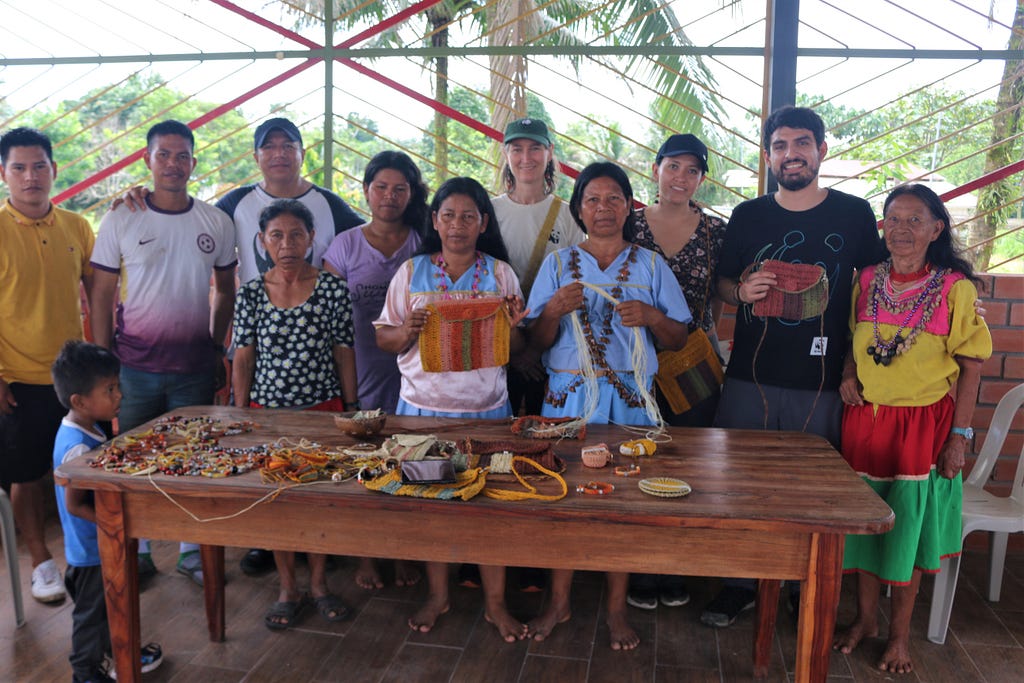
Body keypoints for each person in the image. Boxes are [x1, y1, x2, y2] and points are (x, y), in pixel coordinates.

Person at [701, 106, 883, 629]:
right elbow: (722, 285)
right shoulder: (749, 216)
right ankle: (738, 585)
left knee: (810, 489)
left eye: (802, 143)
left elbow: (872, 291)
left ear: (822, 151)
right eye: (780, 146)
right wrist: (742, 290)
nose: (791, 154)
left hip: (822, 381)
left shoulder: (853, 213)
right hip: (749, 377)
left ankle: (801, 587)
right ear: (768, 156)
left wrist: (851, 365)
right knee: (737, 483)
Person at [525, 161, 691, 650]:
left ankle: (617, 608)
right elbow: (534, 343)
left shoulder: (650, 265)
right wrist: (552, 311)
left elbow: (678, 337)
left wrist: (653, 317)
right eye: (593, 200)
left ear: (629, 206)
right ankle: (559, 600)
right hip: (569, 397)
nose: (603, 209)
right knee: (562, 499)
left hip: (630, 401)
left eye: (613, 199)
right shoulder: (557, 265)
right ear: (579, 208)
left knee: (625, 504)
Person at [832, 184, 991, 674]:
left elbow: (973, 368)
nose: (901, 230)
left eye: (914, 220)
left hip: (922, 428)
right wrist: (847, 375)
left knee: (907, 533)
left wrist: (959, 440)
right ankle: (865, 621)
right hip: (865, 421)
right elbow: (852, 343)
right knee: (862, 528)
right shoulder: (866, 279)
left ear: (936, 228)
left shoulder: (953, 289)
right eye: (893, 220)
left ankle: (899, 636)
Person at [374, 176, 529, 642]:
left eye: (468, 216)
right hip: (422, 411)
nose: (457, 225)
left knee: (491, 509)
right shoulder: (412, 272)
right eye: (448, 215)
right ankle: (439, 595)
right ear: (435, 220)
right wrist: (408, 330)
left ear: (483, 222)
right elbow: (385, 337)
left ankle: (495, 604)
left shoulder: (500, 274)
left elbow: (517, 350)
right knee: (431, 507)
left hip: (487, 409)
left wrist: (516, 325)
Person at [89, 120, 237, 586]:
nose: (173, 164)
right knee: (132, 460)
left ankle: (192, 551)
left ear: (194, 162)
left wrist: (216, 348)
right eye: (163, 155)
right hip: (132, 367)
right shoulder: (122, 217)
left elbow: (226, 292)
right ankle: (141, 551)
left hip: (193, 366)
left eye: (182, 156)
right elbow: (100, 294)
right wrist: (101, 363)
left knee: (193, 460)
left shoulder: (216, 221)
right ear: (147, 160)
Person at [231, 199, 357, 629]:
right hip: (269, 416)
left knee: (320, 502)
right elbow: (244, 357)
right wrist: (240, 412)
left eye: (296, 234)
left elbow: (344, 351)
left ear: (311, 238)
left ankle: (319, 584)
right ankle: (288, 587)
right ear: (262, 241)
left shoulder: (332, 289)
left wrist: (351, 408)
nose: (287, 244)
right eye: (277, 235)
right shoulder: (250, 293)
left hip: (323, 411)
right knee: (277, 503)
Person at [626, 132, 727, 612]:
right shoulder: (627, 223)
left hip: (690, 367)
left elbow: (723, 290)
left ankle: (676, 566)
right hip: (631, 364)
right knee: (639, 460)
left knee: (688, 465)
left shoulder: (715, 231)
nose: (680, 178)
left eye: (692, 170)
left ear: (701, 179)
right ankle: (640, 568)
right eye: (673, 167)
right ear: (656, 169)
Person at [322, 150, 426, 592]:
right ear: (365, 191)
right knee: (364, 463)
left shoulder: (423, 242)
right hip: (361, 370)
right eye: (381, 187)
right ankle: (367, 554)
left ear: (411, 195)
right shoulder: (345, 244)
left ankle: (402, 552)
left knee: (407, 461)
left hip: (414, 374)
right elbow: (326, 313)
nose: (389, 196)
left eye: (399, 188)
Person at [0, 126, 94, 605]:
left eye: (39, 166)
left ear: (55, 170)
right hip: (17, 378)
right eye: (19, 167)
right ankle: (40, 561)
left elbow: (101, 290)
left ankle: (88, 558)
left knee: (81, 467)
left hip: (73, 378)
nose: (30, 176)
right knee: (24, 474)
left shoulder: (77, 226)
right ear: (3, 174)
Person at [51, 340, 163, 683]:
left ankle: (123, 653)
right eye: (110, 389)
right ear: (80, 401)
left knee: (115, 606)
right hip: (92, 552)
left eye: (117, 386)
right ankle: (84, 673)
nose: (119, 395)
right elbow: (74, 504)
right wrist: (116, 526)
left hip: (99, 545)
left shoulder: (87, 427)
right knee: (93, 617)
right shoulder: (77, 447)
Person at [492, 117, 587, 417]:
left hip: (551, 346)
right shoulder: (488, 212)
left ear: (550, 153)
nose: (526, 158)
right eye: (517, 149)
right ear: (505, 154)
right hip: (499, 345)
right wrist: (517, 351)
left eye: (535, 148)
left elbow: (575, 279)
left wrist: (533, 351)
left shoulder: (568, 216)